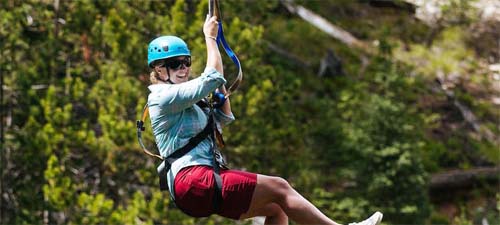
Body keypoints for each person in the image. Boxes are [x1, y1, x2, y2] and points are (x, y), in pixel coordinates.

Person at [145, 15, 383, 225]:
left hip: (198, 186)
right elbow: (213, 75)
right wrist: (210, 38)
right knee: (280, 187)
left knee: (277, 210)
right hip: (194, 179)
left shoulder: (187, 99)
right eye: (175, 64)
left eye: (186, 62)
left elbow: (223, 118)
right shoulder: (161, 97)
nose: (184, 68)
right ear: (158, 69)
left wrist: (221, 95)